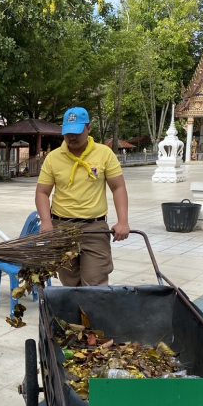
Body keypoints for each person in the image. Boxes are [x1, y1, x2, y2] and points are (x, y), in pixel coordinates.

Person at [35, 106, 130, 286]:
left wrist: (123, 221)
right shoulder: (53, 158)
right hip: (62, 228)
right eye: (68, 133)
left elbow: (118, 187)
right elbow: (42, 192)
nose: (72, 137)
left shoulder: (104, 153)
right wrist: (46, 222)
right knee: (69, 282)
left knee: (95, 284)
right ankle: (74, 306)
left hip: (94, 228)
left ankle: (92, 305)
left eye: (77, 132)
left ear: (89, 128)